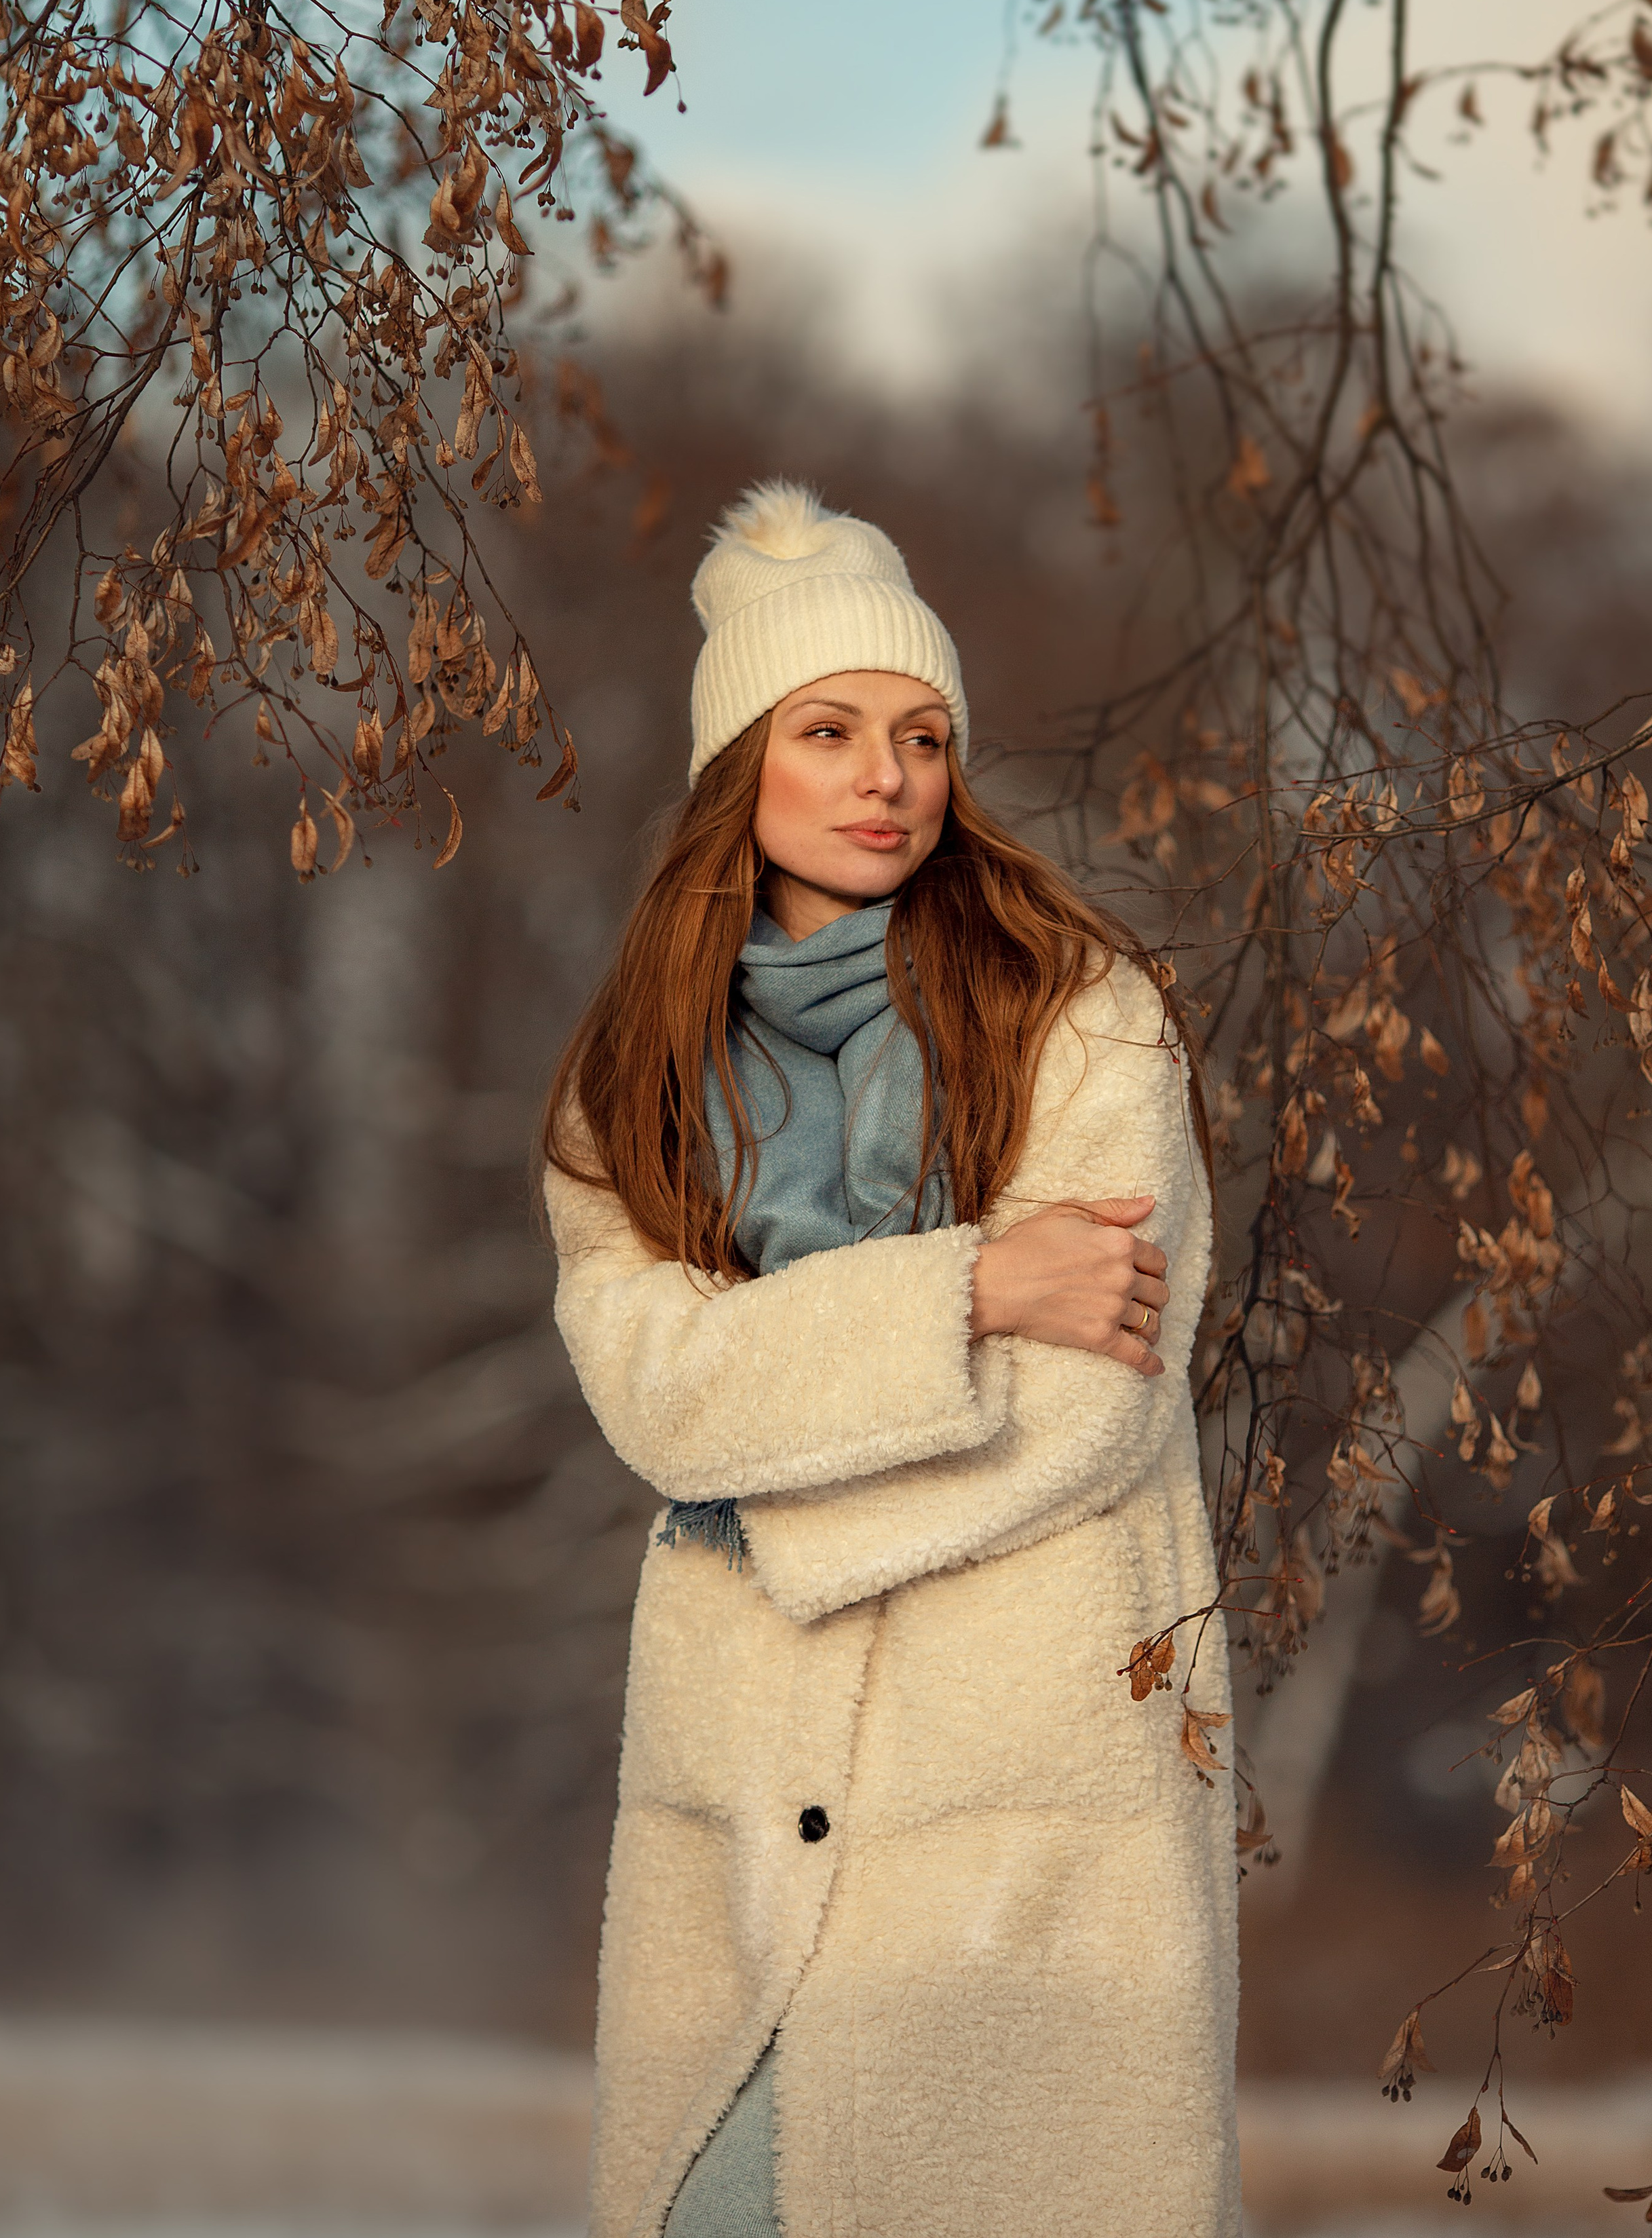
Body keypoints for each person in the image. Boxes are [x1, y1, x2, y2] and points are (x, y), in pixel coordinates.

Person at [542, 482, 1237, 2238]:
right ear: (738, 768)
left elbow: (1090, 1410)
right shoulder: (628, 1074)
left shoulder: (1083, 1011)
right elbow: (655, 1397)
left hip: (1026, 1780)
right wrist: (976, 1291)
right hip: (738, 1779)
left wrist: (760, 1492)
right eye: (832, 730)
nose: (888, 776)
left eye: (923, 736)